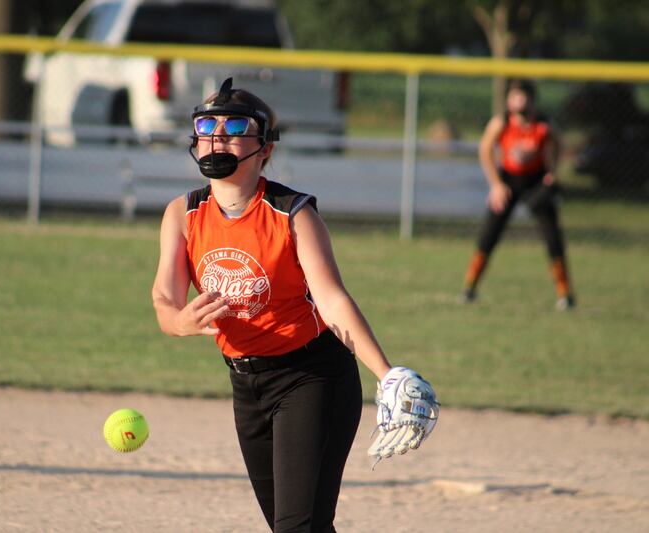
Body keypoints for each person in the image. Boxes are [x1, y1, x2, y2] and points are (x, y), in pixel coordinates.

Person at [151, 78, 437, 532]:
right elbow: (165, 299)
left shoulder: (293, 213)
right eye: (207, 127)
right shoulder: (183, 214)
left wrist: (387, 374)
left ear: (264, 148)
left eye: (234, 127)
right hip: (246, 387)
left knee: (295, 529)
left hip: (311, 378)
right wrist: (178, 321)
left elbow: (331, 299)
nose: (217, 137)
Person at [461, 79, 575, 310]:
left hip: (535, 180)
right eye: (512, 97)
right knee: (489, 234)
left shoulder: (542, 124)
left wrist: (552, 173)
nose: (515, 102)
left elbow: (561, 146)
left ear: (531, 100)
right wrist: (495, 184)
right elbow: (485, 150)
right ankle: (469, 288)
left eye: (520, 97)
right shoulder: (501, 122)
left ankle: (565, 294)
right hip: (508, 181)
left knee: (553, 237)